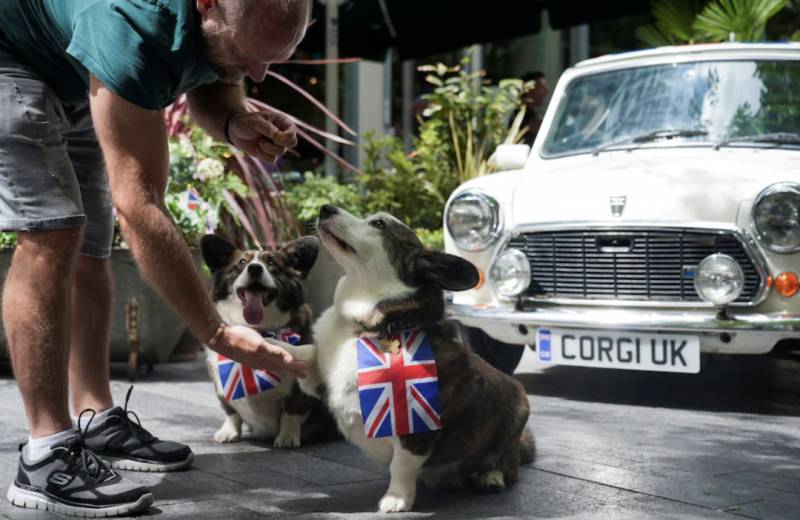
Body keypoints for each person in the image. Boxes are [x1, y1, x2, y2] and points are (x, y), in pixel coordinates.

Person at [0, 0, 311, 515]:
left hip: (75, 64)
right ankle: (45, 454)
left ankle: (94, 417)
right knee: (51, 231)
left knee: (91, 242)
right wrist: (215, 332)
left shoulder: (218, 24)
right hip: (12, 57)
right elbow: (140, 207)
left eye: (272, 60)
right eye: (246, 52)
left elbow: (213, 71)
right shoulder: (131, 23)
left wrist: (233, 120)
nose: (260, 74)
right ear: (206, 4)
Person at [518, 71, 550, 146]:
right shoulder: (520, 115)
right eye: (541, 88)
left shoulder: (529, 112)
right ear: (528, 89)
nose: (546, 92)